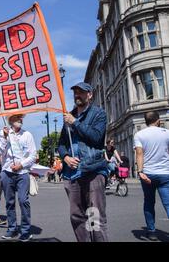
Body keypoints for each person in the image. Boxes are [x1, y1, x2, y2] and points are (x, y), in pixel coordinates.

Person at [57, 82, 109, 242]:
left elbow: (96, 137)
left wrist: (75, 122)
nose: (77, 95)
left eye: (81, 92)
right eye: (75, 92)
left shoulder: (98, 114)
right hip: (72, 174)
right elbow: (61, 143)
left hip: (92, 171)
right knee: (77, 216)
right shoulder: (69, 116)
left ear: (90, 95)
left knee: (95, 216)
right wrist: (65, 157)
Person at [0, 114, 37, 241]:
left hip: (22, 172)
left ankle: (25, 230)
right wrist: (4, 137)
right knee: (9, 202)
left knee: (23, 200)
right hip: (7, 172)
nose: (20, 120)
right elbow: (0, 151)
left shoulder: (27, 135)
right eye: (17, 118)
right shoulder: (3, 133)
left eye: (21, 118)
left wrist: (21, 165)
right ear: (10, 120)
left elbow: (33, 156)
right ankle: (12, 229)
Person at [133, 111, 169, 241]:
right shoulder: (166, 133)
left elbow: (139, 153)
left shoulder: (139, 134)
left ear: (145, 121)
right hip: (165, 173)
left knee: (149, 202)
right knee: (168, 203)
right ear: (158, 120)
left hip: (148, 174)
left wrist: (140, 171)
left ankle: (151, 231)